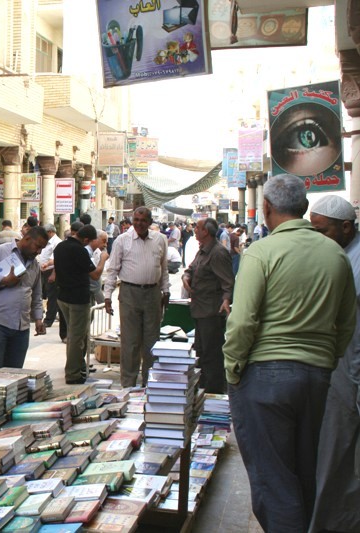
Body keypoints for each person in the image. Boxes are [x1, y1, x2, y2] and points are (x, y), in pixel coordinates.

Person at [223, 175, 355, 532]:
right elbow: (346, 324)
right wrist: (325, 361)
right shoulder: (335, 255)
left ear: (266, 208)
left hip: (265, 376)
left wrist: (232, 369)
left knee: (273, 480)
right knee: (302, 471)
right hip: (315, 376)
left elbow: (242, 321)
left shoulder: (262, 252)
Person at [308, 195, 360, 533]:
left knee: (337, 452)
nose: (317, 238)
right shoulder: (336, 253)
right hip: (336, 365)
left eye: (322, 231)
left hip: (348, 368)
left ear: (346, 227)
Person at [103, 207, 170, 388]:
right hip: (129, 294)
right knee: (130, 342)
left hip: (153, 294)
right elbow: (112, 270)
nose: (139, 223)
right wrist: (107, 296)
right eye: (136, 220)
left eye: (143, 220)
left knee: (151, 341)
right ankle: (129, 385)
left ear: (149, 222)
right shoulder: (122, 241)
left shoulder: (160, 240)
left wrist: (166, 291)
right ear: (133, 221)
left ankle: (150, 384)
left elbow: (163, 269)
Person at [0, 226, 48, 371]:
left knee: (14, 373)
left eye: (42, 249)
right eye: (37, 247)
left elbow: (37, 294)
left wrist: (38, 318)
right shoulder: (0, 252)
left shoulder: (34, 264)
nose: (38, 251)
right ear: (27, 239)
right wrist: (4, 280)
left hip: (21, 327)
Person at [181, 218, 233, 393]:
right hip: (199, 310)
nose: (194, 230)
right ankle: (203, 390)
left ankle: (214, 393)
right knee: (202, 355)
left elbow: (228, 282)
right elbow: (191, 268)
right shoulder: (202, 251)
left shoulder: (218, 253)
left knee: (212, 357)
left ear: (206, 232)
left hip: (211, 312)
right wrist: (186, 277)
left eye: (198, 227)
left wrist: (226, 300)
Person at [54, 225, 108, 384]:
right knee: (77, 338)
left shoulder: (60, 246)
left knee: (74, 336)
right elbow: (96, 274)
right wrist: (103, 259)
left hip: (62, 296)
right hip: (77, 299)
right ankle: (73, 374)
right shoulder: (79, 250)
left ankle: (78, 367)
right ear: (85, 239)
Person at [37, 224, 62, 330]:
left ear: (50, 232)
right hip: (42, 271)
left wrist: (51, 270)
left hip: (51, 270)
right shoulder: (45, 242)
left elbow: (56, 259)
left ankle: (49, 319)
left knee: (52, 296)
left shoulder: (57, 242)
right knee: (41, 294)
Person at [88, 229, 108, 305]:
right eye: (103, 241)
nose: (105, 245)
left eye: (106, 242)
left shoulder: (95, 252)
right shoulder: (87, 252)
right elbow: (94, 278)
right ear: (95, 239)